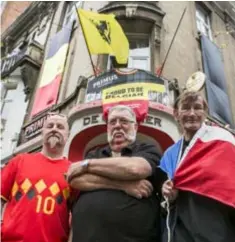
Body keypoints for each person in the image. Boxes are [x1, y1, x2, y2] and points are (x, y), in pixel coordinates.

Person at [67, 105, 167, 242]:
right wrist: (123, 185)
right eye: (112, 122)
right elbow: (75, 179)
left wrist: (87, 165)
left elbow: (135, 169)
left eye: (124, 121)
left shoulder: (147, 149)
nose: (117, 126)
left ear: (135, 127)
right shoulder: (95, 153)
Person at [160, 91, 235, 242]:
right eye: (186, 108)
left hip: (216, 227)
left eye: (197, 107)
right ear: (176, 114)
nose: (192, 113)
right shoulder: (170, 154)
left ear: (205, 113)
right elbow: (166, 197)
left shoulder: (223, 140)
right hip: (179, 230)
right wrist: (169, 193)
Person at [1, 113, 74, 242]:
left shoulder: (73, 171)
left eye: (60, 127)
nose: (54, 129)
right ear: (43, 133)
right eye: (50, 126)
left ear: (67, 135)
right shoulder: (19, 161)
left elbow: (78, 215)